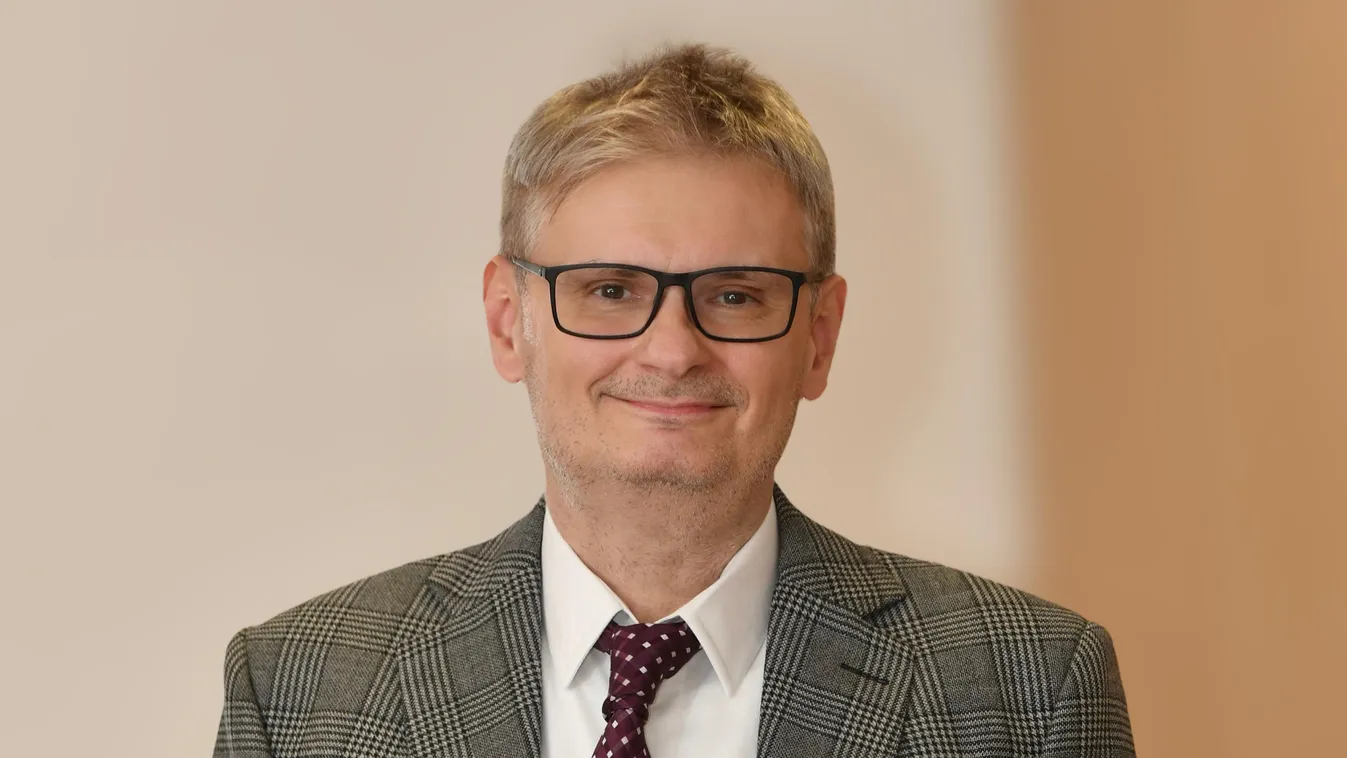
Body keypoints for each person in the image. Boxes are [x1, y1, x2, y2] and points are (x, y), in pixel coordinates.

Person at [213, 43, 1133, 758]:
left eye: (734, 295)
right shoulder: (301, 691)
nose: (672, 350)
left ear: (818, 336)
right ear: (506, 322)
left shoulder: (1025, 691)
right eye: (610, 289)